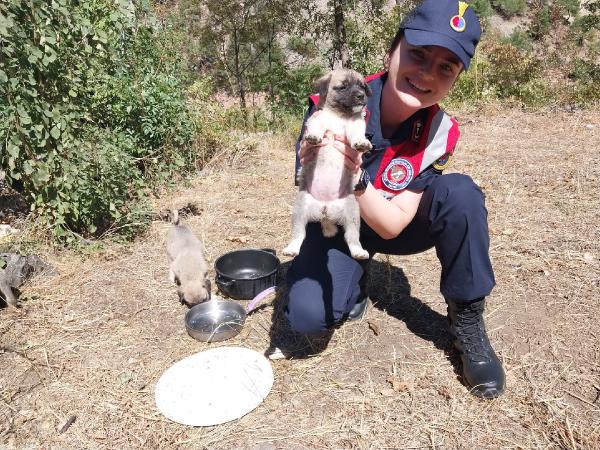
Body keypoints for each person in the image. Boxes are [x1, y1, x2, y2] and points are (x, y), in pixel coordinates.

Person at [284, 0, 505, 399]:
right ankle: (354, 281)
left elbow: (392, 224)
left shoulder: (440, 131)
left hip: (388, 224)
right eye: (418, 55)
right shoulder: (334, 100)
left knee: (461, 195)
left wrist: (355, 178)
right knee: (307, 319)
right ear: (392, 53)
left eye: (446, 67)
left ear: (454, 80)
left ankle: (468, 320)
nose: (426, 74)